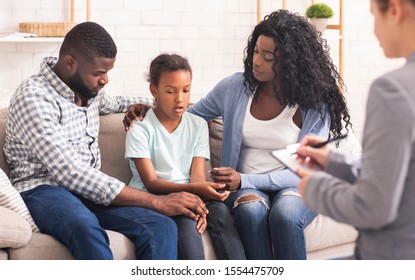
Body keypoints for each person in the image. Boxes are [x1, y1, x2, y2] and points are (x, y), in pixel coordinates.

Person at [124, 10, 352, 259]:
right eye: (255, 51)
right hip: (244, 190)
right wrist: (148, 106)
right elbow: (188, 114)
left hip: (296, 185)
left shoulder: (314, 103)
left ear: (290, 61)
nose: (256, 61)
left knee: (285, 214)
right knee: (250, 211)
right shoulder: (235, 87)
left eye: (267, 57)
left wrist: (244, 180)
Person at [4, 22, 209, 260]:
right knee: (85, 227)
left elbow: (117, 102)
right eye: (99, 73)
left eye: (108, 72)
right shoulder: (34, 96)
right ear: (70, 63)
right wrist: (157, 201)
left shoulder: (88, 92)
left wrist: (162, 104)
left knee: (161, 226)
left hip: (89, 193)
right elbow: (70, 172)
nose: (105, 81)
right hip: (44, 189)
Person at [296, 0, 415, 260]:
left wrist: (314, 189)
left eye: (374, 16)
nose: (374, 30)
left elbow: (374, 206)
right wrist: (334, 161)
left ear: (394, 9)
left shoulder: (393, 90)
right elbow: (398, 179)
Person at [125, 53, 245, 260]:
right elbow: (151, 183)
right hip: (154, 198)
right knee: (187, 222)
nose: (180, 99)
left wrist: (203, 195)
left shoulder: (197, 125)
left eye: (186, 90)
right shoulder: (140, 128)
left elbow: (197, 176)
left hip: (191, 194)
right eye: (170, 91)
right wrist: (195, 193)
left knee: (222, 213)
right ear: (154, 90)